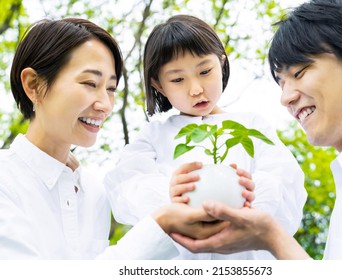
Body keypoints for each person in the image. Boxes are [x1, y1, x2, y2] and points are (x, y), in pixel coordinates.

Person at [171, 0, 342, 260]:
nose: (285, 98)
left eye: (299, 72)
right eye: (281, 83)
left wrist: (271, 236)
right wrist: (270, 237)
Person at [0, 17, 229, 259]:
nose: (105, 105)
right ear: (33, 85)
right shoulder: (6, 179)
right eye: (90, 83)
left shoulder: (93, 192)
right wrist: (161, 225)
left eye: (110, 88)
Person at [104, 14, 307, 260]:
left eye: (205, 71)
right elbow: (125, 188)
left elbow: (286, 182)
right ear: (158, 84)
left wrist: (249, 192)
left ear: (221, 64)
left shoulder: (251, 125)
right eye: (178, 79)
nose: (196, 89)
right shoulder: (154, 136)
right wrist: (170, 193)